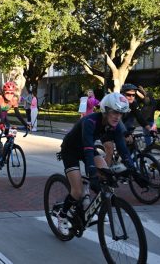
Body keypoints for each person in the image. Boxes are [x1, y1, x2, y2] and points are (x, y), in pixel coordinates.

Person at [56, 92, 149, 236]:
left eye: (120, 113)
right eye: (114, 112)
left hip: (87, 148)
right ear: (105, 110)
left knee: (106, 173)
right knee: (77, 191)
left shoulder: (116, 126)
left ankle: (95, 202)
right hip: (71, 150)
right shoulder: (90, 121)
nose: (118, 116)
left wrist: (134, 171)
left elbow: (124, 151)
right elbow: (87, 148)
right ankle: (62, 215)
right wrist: (92, 172)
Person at [103, 83, 152, 165]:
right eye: (129, 95)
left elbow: (139, 117)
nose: (131, 97)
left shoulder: (133, 103)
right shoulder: (117, 103)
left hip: (121, 127)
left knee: (131, 145)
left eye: (133, 95)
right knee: (110, 150)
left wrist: (149, 128)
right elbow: (118, 121)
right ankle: (104, 174)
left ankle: (124, 162)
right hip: (107, 128)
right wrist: (125, 134)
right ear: (122, 94)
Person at [0, 81, 29, 169]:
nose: (9, 95)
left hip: (3, 119)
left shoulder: (14, 99)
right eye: (7, 93)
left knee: (10, 136)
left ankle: (3, 156)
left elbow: (17, 114)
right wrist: (2, 124)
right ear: (3, 92)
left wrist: (26, 124)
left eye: (11, 93)